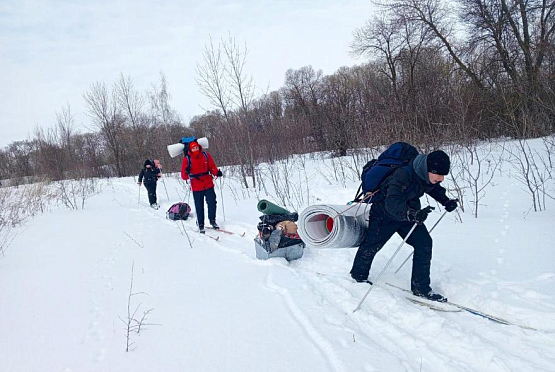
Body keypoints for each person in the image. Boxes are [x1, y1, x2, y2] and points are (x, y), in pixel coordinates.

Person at [350, 149, 458, 302]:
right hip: (384, 214)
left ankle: (421, 288)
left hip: (409, 213)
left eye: (443, 175)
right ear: (428, 169)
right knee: (371, 245)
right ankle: (358, 277)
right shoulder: (403, 174)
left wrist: (446, 201)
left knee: (424, 243)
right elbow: (392, 203)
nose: (441, 178)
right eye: (438, 174)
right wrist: (411, 214)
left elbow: (433, 188)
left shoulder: (427, 176)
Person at [181, 140, 222, 233]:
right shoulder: (187, 159)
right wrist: (186, 171)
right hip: (196, 186)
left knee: (212, 203)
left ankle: (212, 220)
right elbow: (183, 176)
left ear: (199, 147)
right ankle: (200, 224)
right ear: (190, 150)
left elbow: (212, 167)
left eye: (196, 147)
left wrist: (216, 172)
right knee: (199, 206)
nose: (195, 149)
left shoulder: (206, 155)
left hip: (208, 183)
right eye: (193, 148)